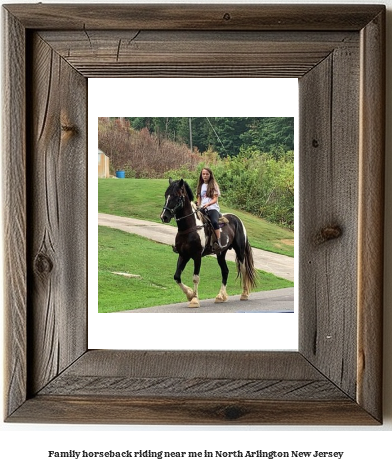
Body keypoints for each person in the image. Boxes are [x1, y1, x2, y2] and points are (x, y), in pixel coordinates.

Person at [196, 167, 225, 250]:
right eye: (203, 174)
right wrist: (197, 205)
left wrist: (208, 204)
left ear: (210, 175)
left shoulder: (214, 185)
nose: (205, 176)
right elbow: (199, 199)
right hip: (202, 208)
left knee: (215, 222)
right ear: (201, 175)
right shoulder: (200, 186)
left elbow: (215, 199)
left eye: (207, 174)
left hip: (212, 208)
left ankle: (218, 242)